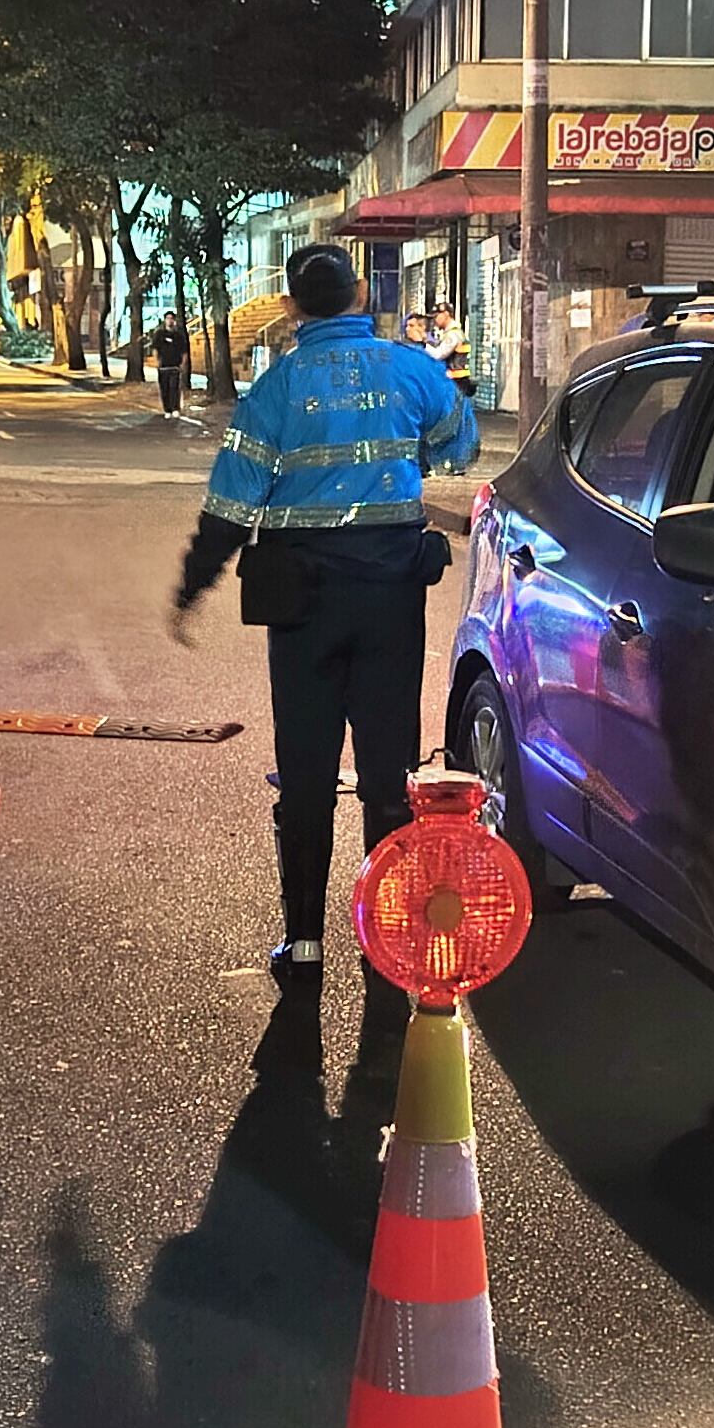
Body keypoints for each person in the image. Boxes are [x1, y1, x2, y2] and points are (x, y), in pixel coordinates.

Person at [168, 245, 473, 974]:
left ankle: (304, 941)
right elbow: (459, 441)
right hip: (389, 599)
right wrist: (406, 462)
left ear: (295, 307)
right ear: (360, 293)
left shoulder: (273, 389)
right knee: (387, 773)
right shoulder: (412, 369)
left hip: (302, 605)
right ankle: (387, 934)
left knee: (305, 775)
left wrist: (193, 587)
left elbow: (230, 506)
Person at [151, 310, 188, 418]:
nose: (170, 321)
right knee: (164, 389)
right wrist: (156, 361)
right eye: (167, 318)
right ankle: (167, 410)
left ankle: (175, 408)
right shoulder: (159, 334)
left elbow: (184, 351)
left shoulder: (179, 335)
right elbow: (155, 349)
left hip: (175, 366)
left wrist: (183, 364)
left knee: (174, 388)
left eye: (171, 318)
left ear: (174, 320)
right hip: (163, 367)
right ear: (165, 320)